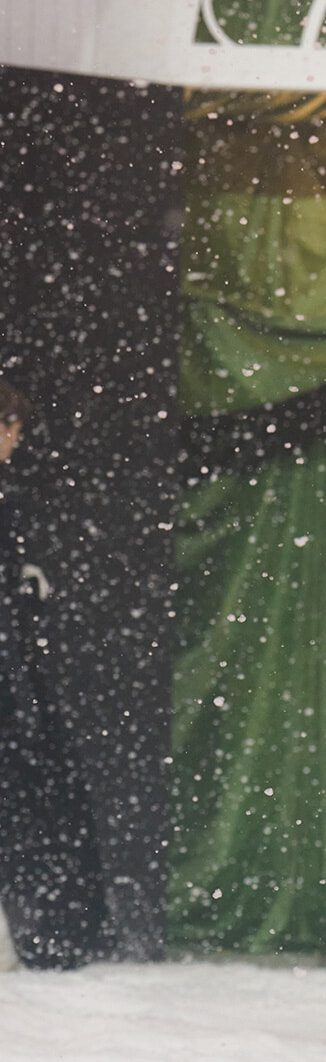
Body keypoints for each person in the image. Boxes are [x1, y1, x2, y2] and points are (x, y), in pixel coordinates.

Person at [0, 379, 107, 968]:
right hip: (13, 691)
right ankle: (40, 937)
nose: (14, 439)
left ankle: (38, 937)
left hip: (17, 689)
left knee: (33, 806)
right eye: (9, 425)